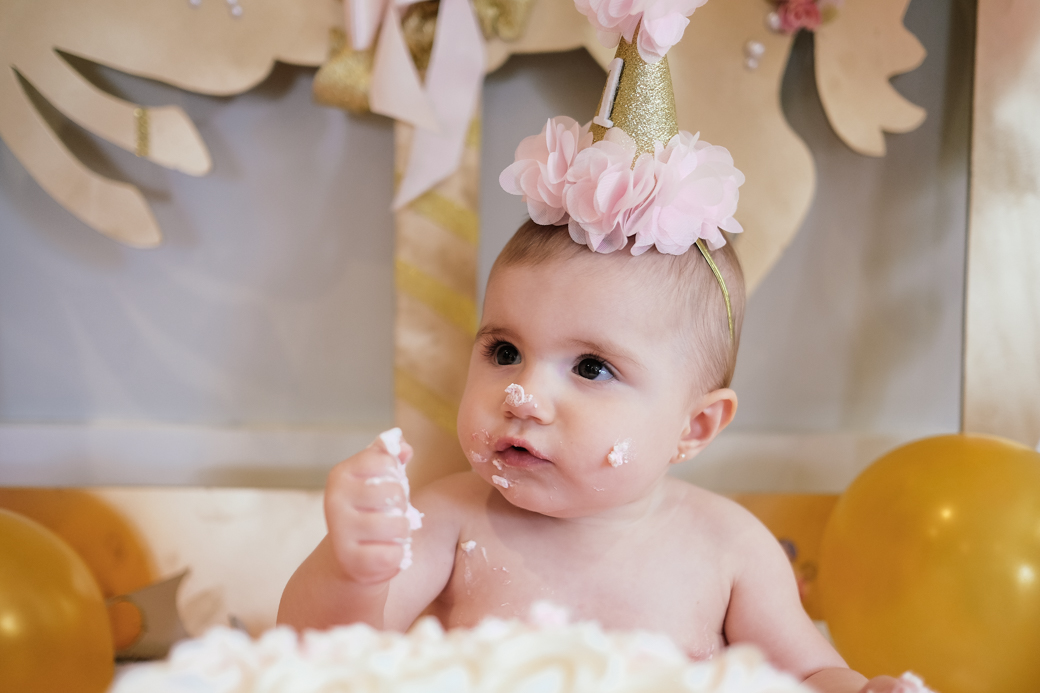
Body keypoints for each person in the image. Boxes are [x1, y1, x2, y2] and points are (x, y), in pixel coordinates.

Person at [278, 219, 919, 693]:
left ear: (693, 426)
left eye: (591, 367)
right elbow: (327, 656)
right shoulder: (449, 520)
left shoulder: (728, 547)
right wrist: (352, 570)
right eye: (504, 352)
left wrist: (862, 691)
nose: (524, 396)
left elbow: (808, 672)